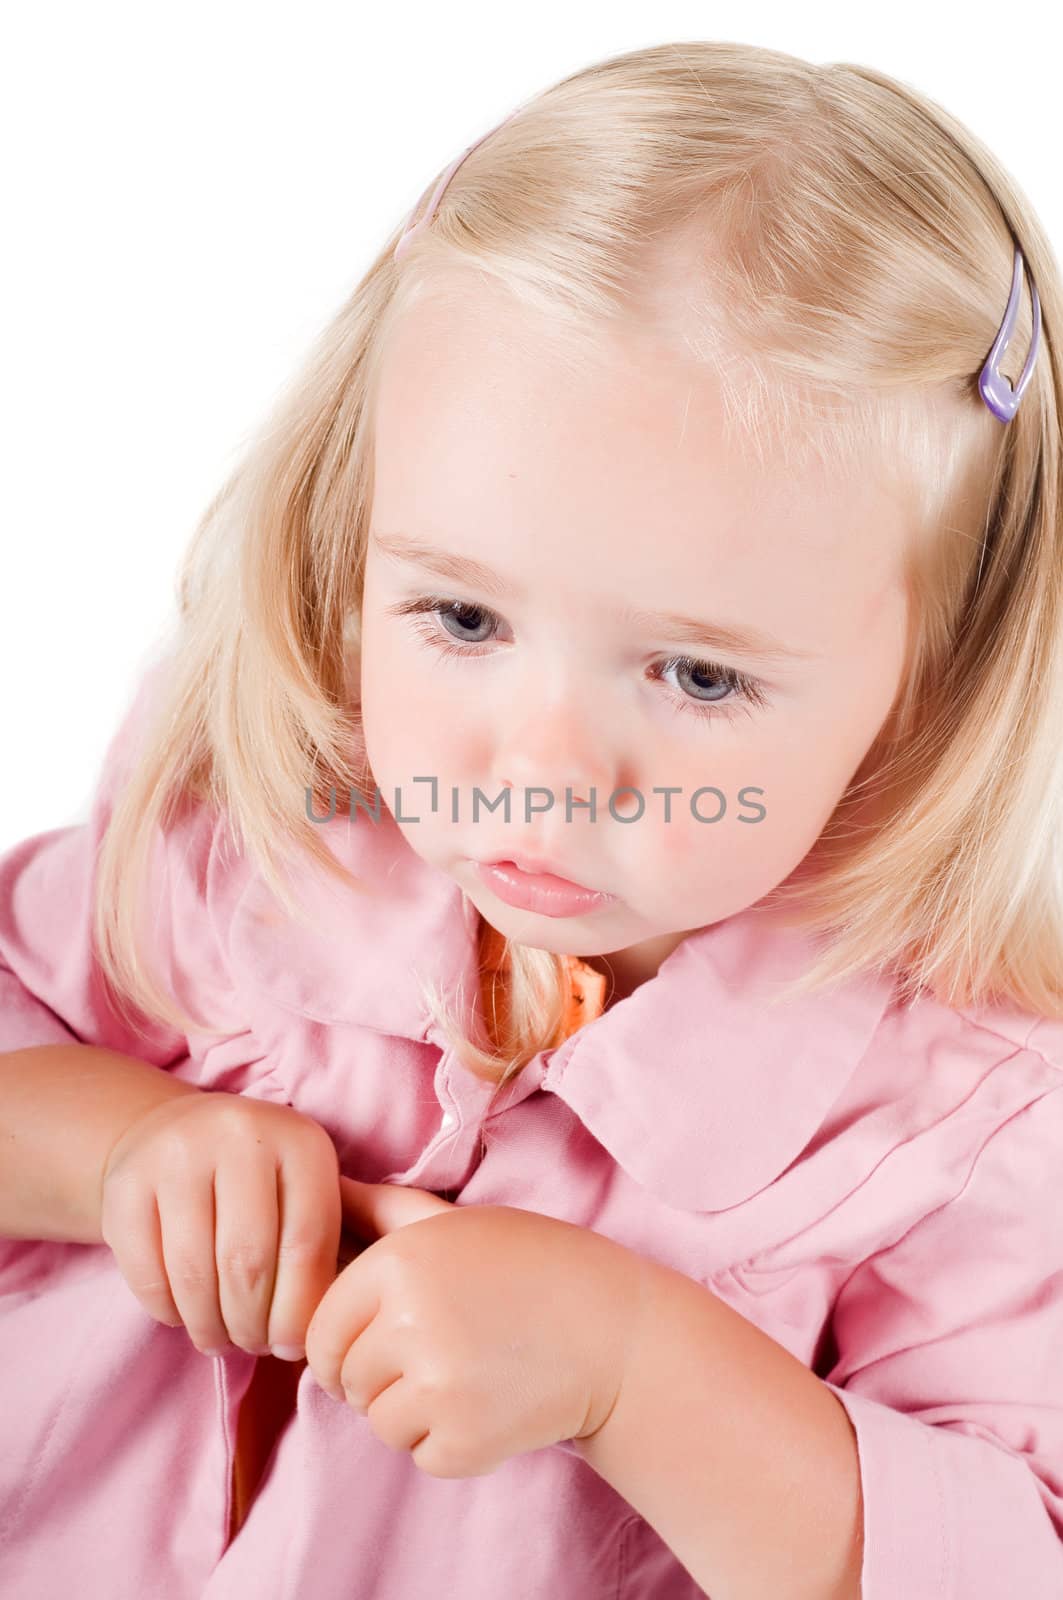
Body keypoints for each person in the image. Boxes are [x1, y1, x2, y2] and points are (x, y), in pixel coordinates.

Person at [1, 36, 1061, 1600]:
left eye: (696, 674)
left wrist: (635, 1374)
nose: (542, 775)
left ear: (924, 683)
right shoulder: (258, 834)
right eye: (465, 622)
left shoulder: (958, 1121)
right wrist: (127, 1151)